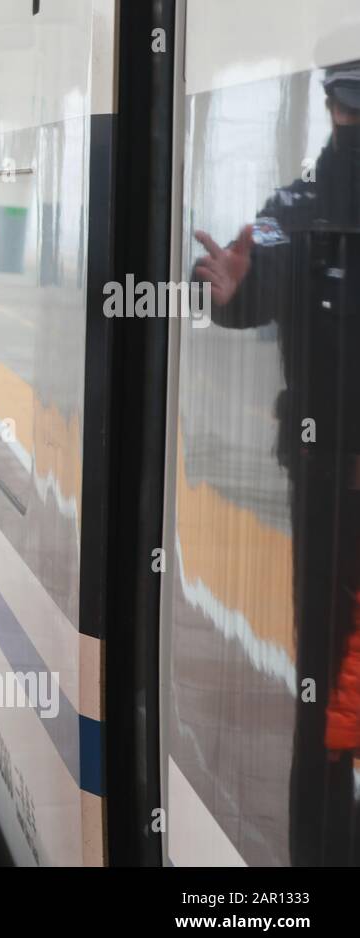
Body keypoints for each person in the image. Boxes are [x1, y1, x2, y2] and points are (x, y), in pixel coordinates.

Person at [194, 60, 360, 864]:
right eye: (352, 111)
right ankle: (318, 855)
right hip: (331, 484)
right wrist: (228, 296)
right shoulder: (293, 213)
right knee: (329, 688)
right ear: (332, 110)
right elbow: (250, 290)